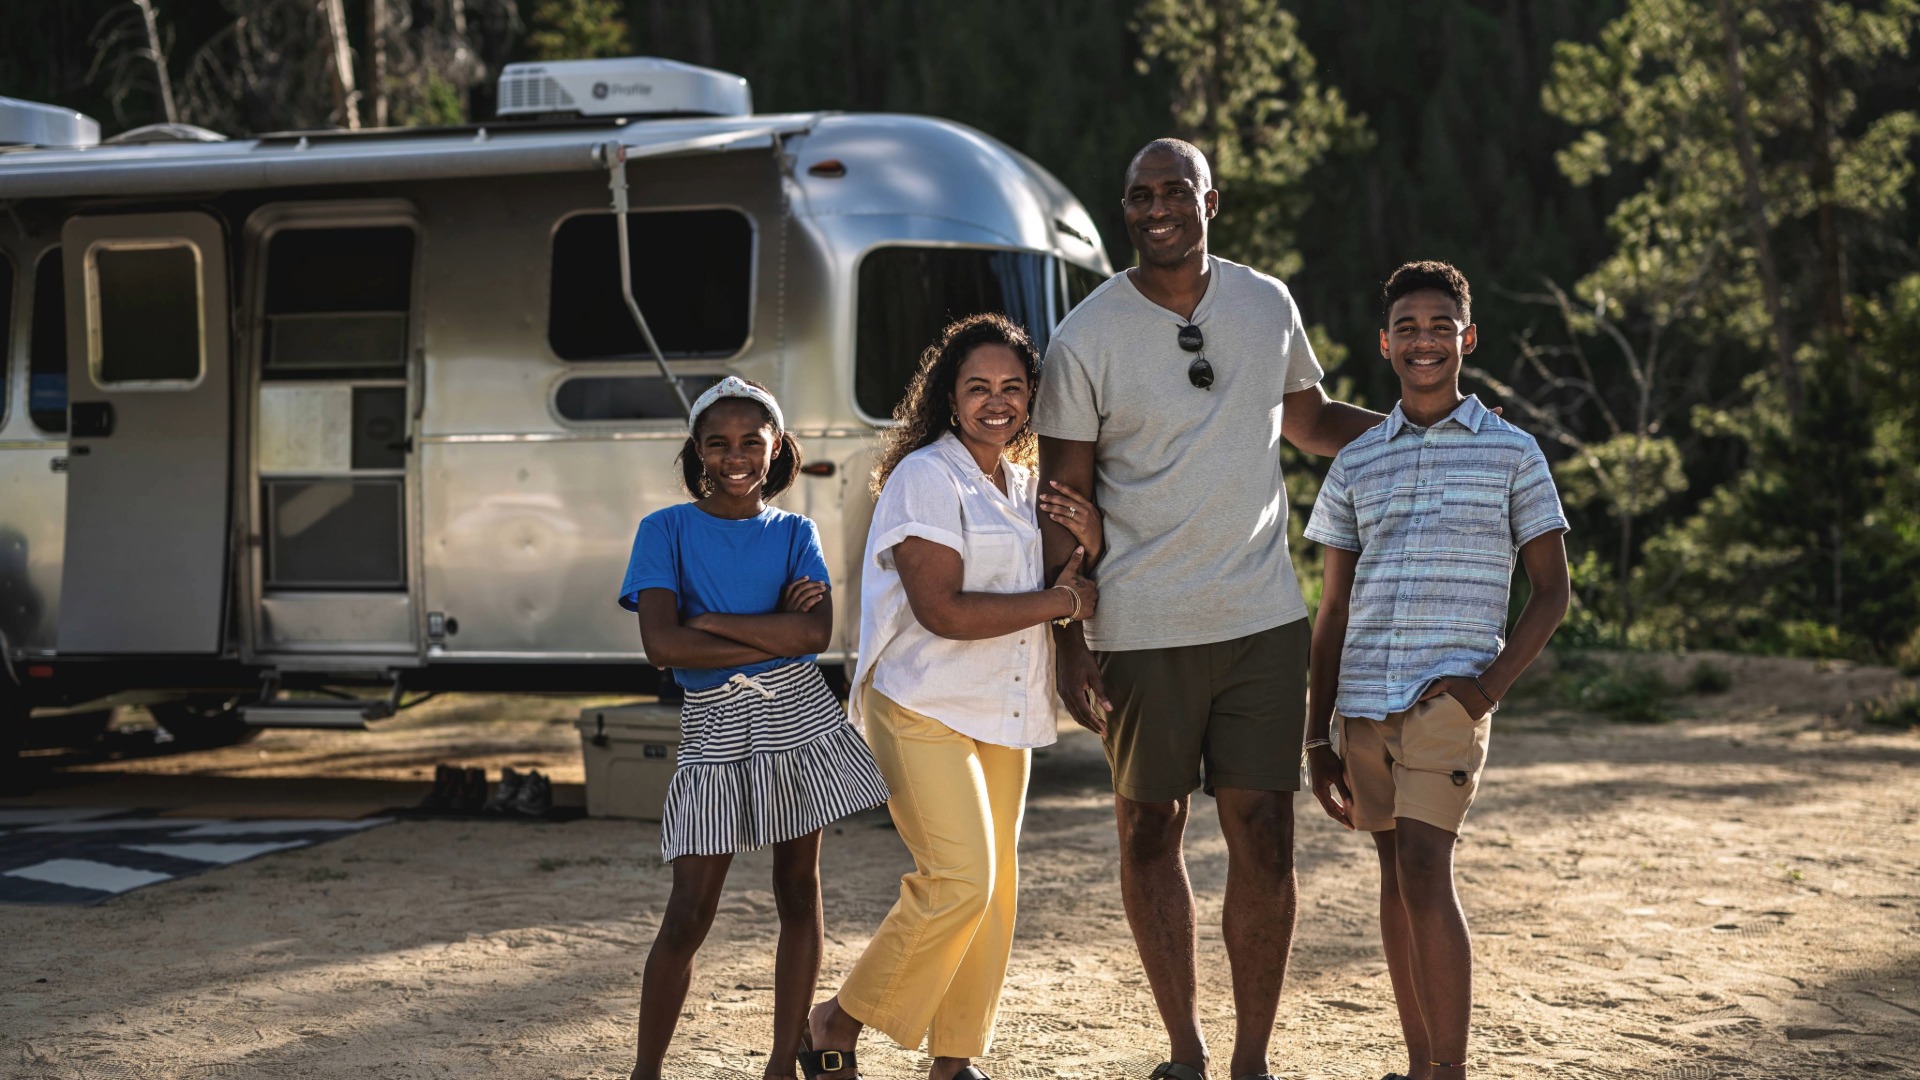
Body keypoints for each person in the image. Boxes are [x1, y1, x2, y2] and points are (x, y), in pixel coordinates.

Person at [1032, 138, 1390, 1080]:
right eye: (1138, 194)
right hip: (1140, 627)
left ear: (1210, 201)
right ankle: (1186, 1054)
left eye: (1173, 191)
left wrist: (1414, 430)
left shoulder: (1266, 303)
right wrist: (1069, 638)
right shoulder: (1085, 336)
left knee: (1267, 838)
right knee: (1149, 831)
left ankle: (1250, 1062)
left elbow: (1308, 422)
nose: (1155, 208)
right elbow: (1062, 497)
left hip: (1262, 619)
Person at [802, 313, 1103, 1080]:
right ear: (949, 397)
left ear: (1032, 397)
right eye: (977, 388)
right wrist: (1061, 605)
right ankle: (835, 1020)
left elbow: (1068, 570)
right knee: (961, 879)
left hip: (1003, 709)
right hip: (922, 703)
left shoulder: (1024, 482)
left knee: (996, 892)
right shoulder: (925, 477)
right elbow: (944, 610)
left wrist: (1089, 540)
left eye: (1011, 387)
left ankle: (955, 1058)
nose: (995, 402)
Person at [1302, 261, 1570, 1080]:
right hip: (1362, 704)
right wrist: (1317, 733)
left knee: (1425, 865)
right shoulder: (1357, 463)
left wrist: (1486, 689)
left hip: (1446, 700)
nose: (1426, 341)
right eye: (1409, 328)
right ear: (1385, 344)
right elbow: (1333, 609)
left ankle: (1447, 1074)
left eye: (1441, 326)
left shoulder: (1512, 452)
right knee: (1392, 871)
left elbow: (1552, 592)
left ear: (1468, 337)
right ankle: (1419, 1066)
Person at [617, 376, 892, 1080]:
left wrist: (707, 620)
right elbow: (662, 647)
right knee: (688, 909)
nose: (736, 456)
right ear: (698, 451)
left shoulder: (797, 533)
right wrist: (772, 634)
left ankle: (779, 1063)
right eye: (718, 443)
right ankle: (644, 1072)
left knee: (798, 891)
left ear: (777, 449)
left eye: (751, 441)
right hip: (714, 724)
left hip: (796, 718)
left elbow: (817, 633)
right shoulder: (665, 530)